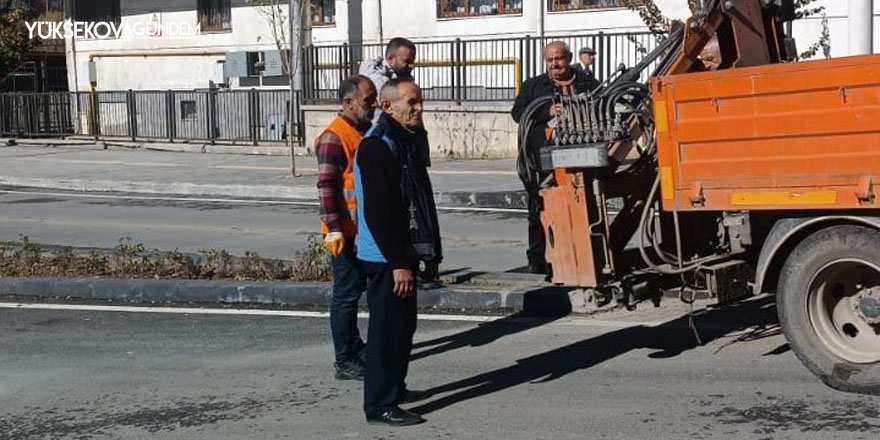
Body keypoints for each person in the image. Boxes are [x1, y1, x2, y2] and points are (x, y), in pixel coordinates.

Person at [354, 78, 441, 427]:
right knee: (386, 334)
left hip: (401, 253)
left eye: (420, 101)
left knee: (403, 329)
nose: (419, 108)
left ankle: (395, 388)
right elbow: (379, 212)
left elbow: (417, 202)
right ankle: (379, 405)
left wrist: (428, 253)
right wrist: (399, 264)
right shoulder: (378, 146)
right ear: (388, 106)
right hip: (385, 258)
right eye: (412, 102)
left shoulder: (404, 141)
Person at [511, 41, 600, 275]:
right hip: (542, 160)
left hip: (580, 159)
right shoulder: (533, 86)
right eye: (549, 60)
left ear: (569, 58)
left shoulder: (588, 83)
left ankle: (582, 257)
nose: (554, 65)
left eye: (558, 59)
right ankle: (538, 259)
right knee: (539, 210)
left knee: (584, 208)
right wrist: (546, 112)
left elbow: (604, 106)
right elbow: (518, 113)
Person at [315, 75, 377, 381]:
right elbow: (326, 186)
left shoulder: (362, 132)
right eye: (368, 101)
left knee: (353, 293)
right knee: (346, 296)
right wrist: (334, 228)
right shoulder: (334, 137)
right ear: (348, 102)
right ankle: (344, 359)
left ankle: (354, 345)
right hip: (345, 232)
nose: (373, 105)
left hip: (361, 230)